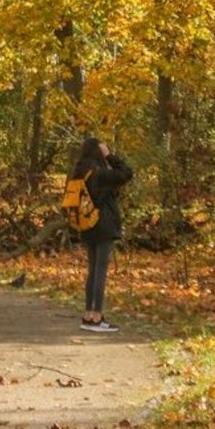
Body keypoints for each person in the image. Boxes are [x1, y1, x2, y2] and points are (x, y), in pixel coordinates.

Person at [71, 137, 133, 332]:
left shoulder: (79, 173)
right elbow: (126, 174)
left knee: (92, 270)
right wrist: (110, 155)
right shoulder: (100, 173)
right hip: (103, 225)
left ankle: (88, 315)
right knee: (100, 271)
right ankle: (97, 316)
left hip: (86, 224)